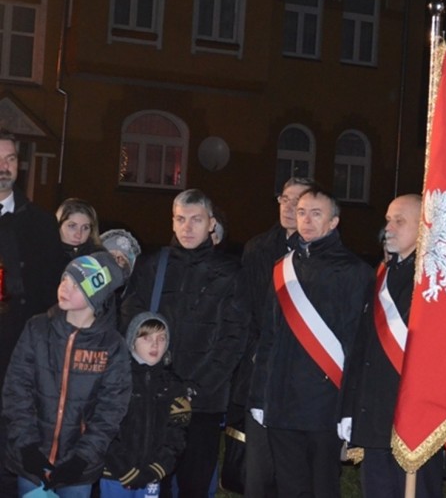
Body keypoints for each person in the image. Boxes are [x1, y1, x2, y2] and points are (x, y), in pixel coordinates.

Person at [120, 189, 247, 498]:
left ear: (211, 224)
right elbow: (131, 318)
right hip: (155, 397)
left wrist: (196, 387)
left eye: (196, 220)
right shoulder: (153, 265)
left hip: (203, 402)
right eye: (181, 220)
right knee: (154, 482)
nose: (188, 228)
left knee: (194, 484)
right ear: (172, 223)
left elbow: (234, 337)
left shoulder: (231, 273)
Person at [248, 186, 374, 498]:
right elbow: (268, 338)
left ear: (333, 222)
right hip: (281, 403)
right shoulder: (283, 267)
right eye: (302, 212)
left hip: (325, 404)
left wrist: (349, 408)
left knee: (323, 489)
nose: (305, 219)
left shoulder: (355, 272)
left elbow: (356, 345)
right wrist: (258, 397)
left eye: (316, 213)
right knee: (289, 488)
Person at [340, 194, 444, 497]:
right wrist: (349, 407)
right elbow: (361, 348)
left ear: (423, 228)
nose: (390, 227)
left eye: (400, 221)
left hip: (413, 417)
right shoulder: (382, 273)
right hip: (374, 415)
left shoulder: (431, 280)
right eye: (388, 219)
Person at [3, 252, 130, 498]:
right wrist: (27, 446)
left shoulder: (112, 346)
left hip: (77, 471)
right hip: (31, 464)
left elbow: (111, 410)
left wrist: (82, 458)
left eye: (76, 285)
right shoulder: (37, 329)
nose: (65, 288)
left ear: (96, 294)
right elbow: (16, 388)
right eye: (64, 280)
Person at [237, 176, 314, 497]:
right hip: (261, 366)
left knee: (293, 465)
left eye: (298, 202)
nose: (289, 207)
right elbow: (244, 308)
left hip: (300, 371)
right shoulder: (257, 249)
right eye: (284, 199)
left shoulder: (317, 254)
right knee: (259, 465)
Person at [0, 129, 66, 494]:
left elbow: (51, 292)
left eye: (10, 159)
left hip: (20, 346)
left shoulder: (40, 223)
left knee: (16, 429)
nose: (3, 167)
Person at [100, 312, 191, 498]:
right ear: (132, 341)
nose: (155, 345)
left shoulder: (174, 386)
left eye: (162, 338)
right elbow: (102, 427)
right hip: (115, 474)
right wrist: (123, 468)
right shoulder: (115, 380)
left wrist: (157, 469)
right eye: (147, 338)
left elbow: (177, 434)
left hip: (152, 476)